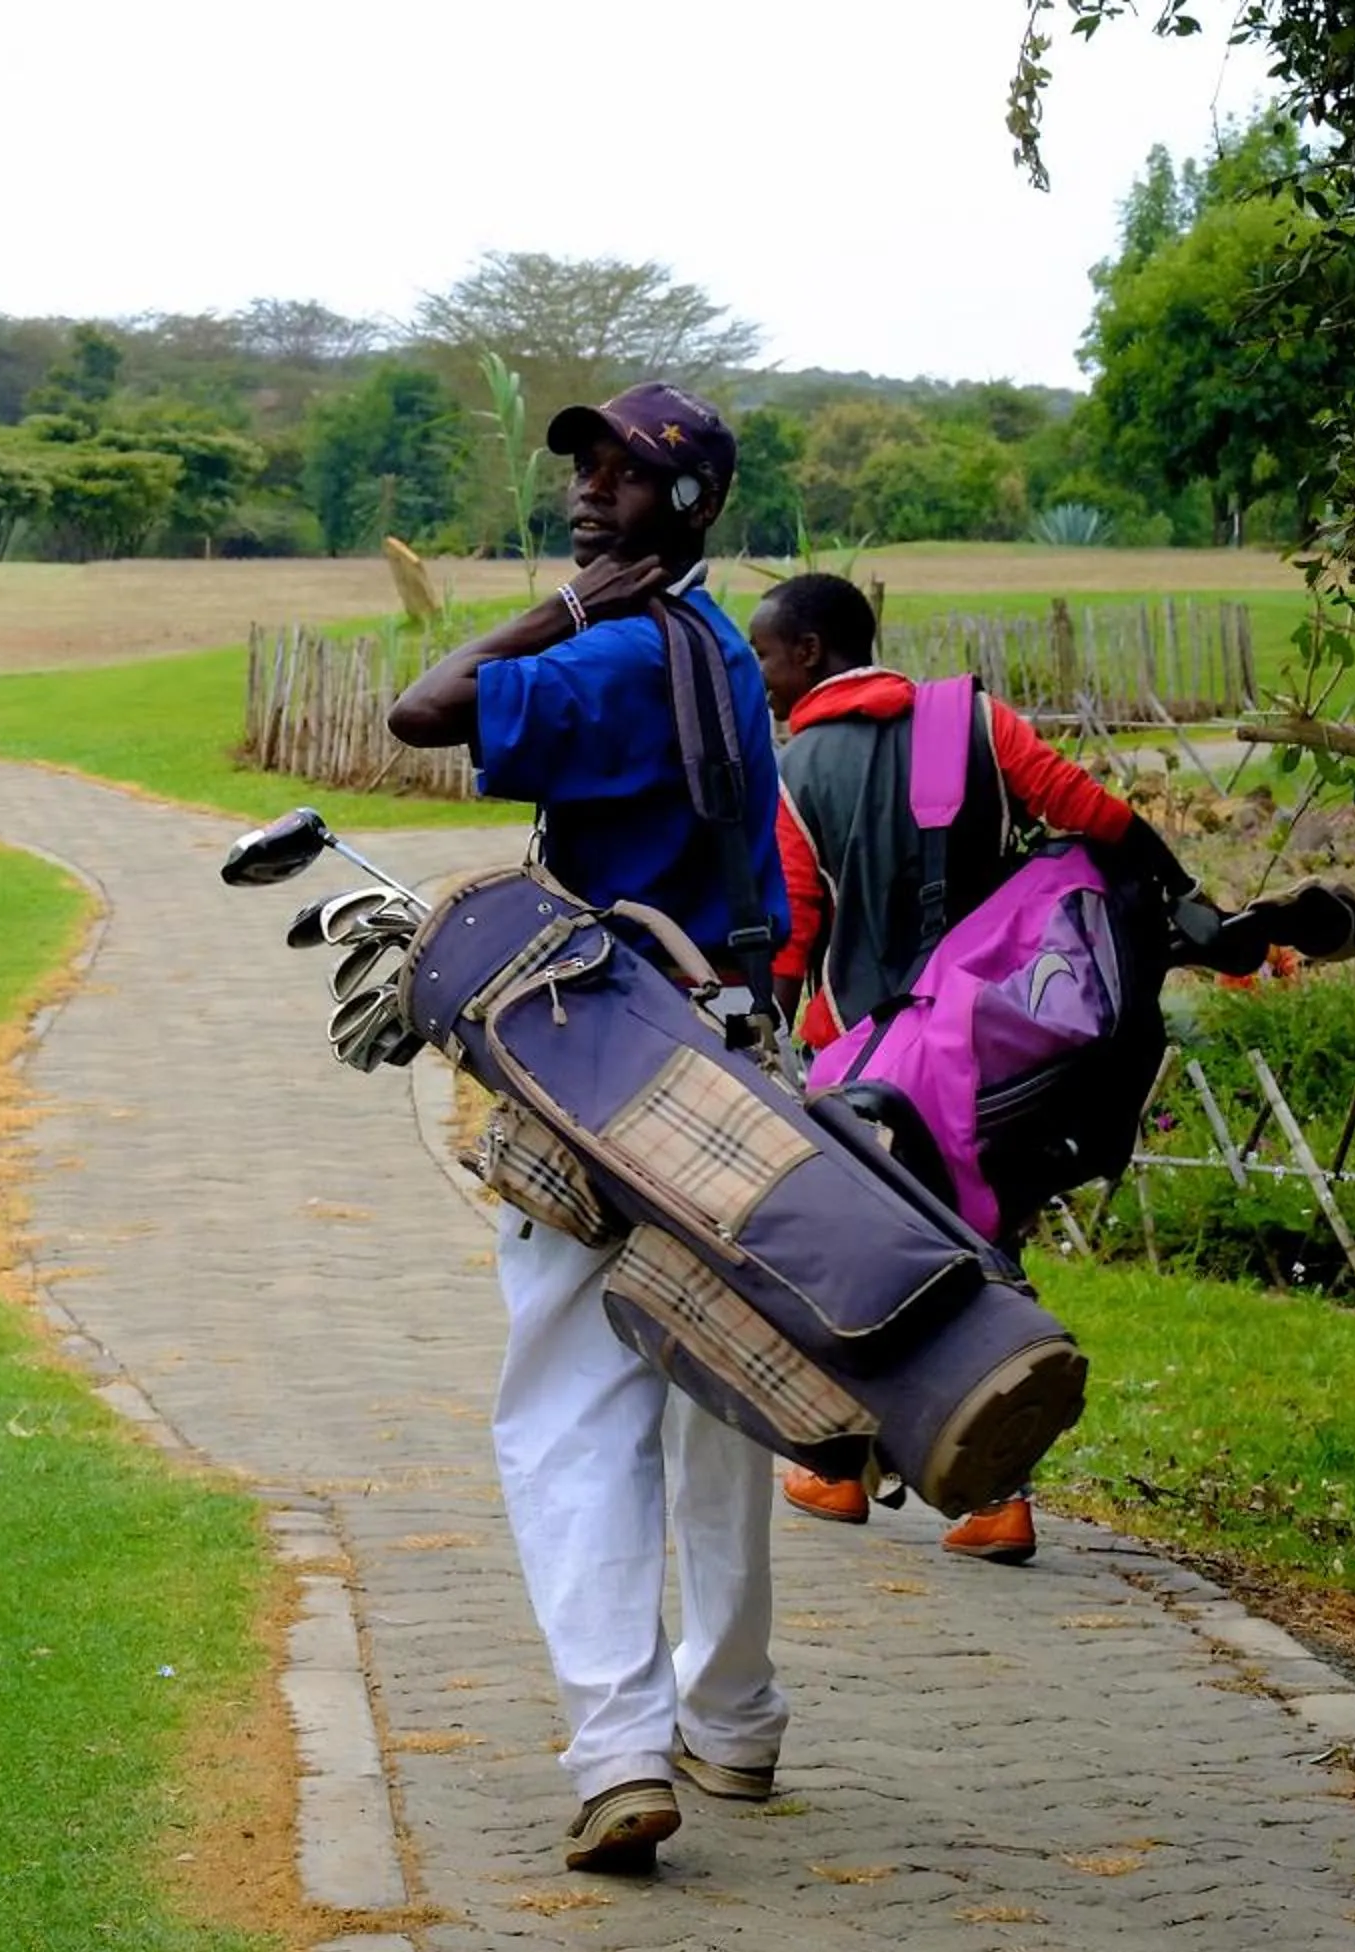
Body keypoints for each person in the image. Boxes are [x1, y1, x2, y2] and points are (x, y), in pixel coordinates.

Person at [391, 382, 792, 1872]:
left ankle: (621, 1747)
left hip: (607, 1059)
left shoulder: (618, 651)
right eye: (585, 470)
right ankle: (733, 1715)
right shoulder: (722, 642)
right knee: (722, 1383)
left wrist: (558, 607)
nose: (588, 494)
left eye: (624, 476)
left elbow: (423, 707)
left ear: (689, 506)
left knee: (570, 1399)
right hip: (739, 1049)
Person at [750, 571, 1165, 1564]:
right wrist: (1177, 897)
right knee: (986, 1243)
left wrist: (768, 1032)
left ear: (809, 652)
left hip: (867, 1061)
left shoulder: (798, 770)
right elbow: (1092, 813)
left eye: (766, 654)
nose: (760, 675)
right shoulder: (974, 720)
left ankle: (844, 1468)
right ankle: (992, 1495)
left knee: (857, 1257)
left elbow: (793, 930)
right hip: (993, 1049)